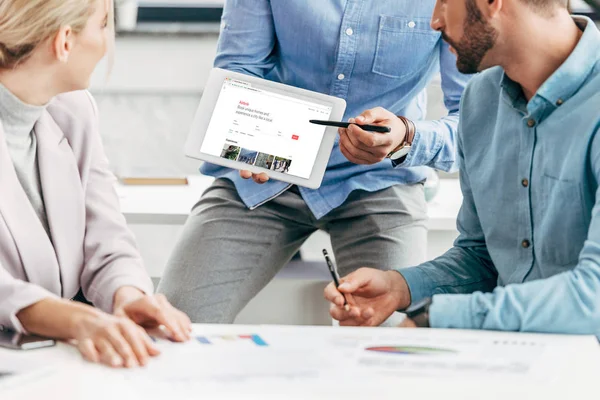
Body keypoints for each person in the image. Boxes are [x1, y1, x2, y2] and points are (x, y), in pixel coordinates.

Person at [158, 0, 470, 323]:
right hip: (270, 174)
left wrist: (407, 137)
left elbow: (475, 119)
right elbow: (239, 68)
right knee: (170, 323)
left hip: (380, 181)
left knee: (388, 342)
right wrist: (247, 133)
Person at [325, 0, 600, 337]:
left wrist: (436, 317)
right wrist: (400, 287)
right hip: (511, 361)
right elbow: (482, 258)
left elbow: (594, 297)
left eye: (443, 1)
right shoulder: (480, 101)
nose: (435, 21)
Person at [0, 0, 191, 368]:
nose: (106, 43)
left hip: (49, 356)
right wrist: (74, 319)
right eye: (103, 25)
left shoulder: (73, 110)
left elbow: (106, 235)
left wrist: (127, 294)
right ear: (64, 41)